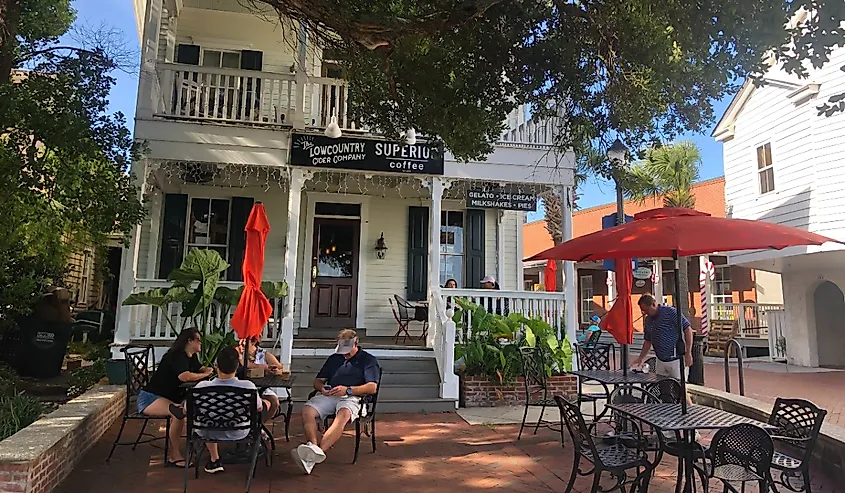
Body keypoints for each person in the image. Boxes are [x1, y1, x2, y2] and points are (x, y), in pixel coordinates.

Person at [291, 329, 380, 475]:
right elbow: (317, 381)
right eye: (342, 351)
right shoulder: (334, 358)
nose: (344, 354)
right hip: (330, 394)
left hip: (354, 397)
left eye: (347, 351)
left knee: (343, 414)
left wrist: (348, 390)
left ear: (356, 343)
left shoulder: (368, 360)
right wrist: (322, 388)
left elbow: (372, 387)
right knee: (307, 410)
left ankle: (313, 456)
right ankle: (313, 448)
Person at [137, 327, 213, 467]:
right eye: (198, 341)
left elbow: (199, 368)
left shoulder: (191, 356)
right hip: (151, 398)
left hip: (169, 398)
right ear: (189, 341)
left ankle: (202, 445)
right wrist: (205, 375)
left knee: (198, 407)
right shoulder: (176, 356)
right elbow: (184, 376)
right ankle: (174, 456)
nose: (201, 344)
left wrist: (207, 370)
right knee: (178, 414)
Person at [194, 346, 268, 474]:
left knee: (207, 416)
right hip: (238, 432)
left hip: (207, 431)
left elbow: (187, 410)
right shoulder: (248, 387)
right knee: (264, 404)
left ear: (217, 366)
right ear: (237, 367)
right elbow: (259, 408)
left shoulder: (201, 387)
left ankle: (214, 459)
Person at [631, 294, 693, 404]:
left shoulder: (670, 312)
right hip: (660, 359)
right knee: (664, 389)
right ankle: (668, 410)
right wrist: (641, 358)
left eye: (646, 310)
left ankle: (690, 409)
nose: (645, 313)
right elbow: (648, 340)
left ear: (654, 304)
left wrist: (688, 352)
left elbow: (687, 329)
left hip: (675, 358)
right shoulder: (648, 320)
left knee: (681, 389)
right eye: (642, 311)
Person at [238, 336, 283, 417]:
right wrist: (264, 367)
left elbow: (280, 368)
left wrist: (276, 371)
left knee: (274, 401)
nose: (241, 343)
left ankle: (261, 425)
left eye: (244, 341)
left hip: (262, 387)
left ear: (253, 342)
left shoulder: (263, 354)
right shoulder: (239, 353)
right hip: (243, 387)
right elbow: (245, 365)